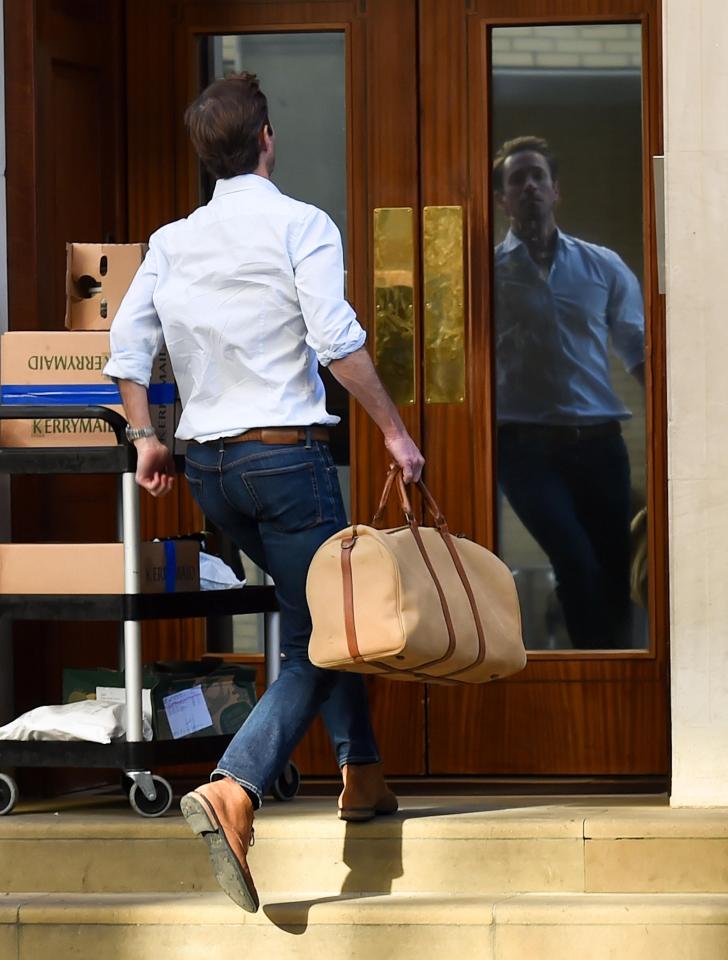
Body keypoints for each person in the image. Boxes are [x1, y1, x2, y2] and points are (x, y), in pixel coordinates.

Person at [103, 72, 424, 912]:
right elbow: (336, 337)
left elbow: (126, 349)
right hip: (283, 461)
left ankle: (363, 774)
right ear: (268, 139)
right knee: (324, 633)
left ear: (207, 156)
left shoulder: (172, 240)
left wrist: (146, 442)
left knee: (319, 611)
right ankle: (234, 788)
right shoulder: (301, 224)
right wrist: (393, 431)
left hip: (208, 471)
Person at [492, 136, 645, 650]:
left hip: (599, 444)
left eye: (538, 176)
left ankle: (616, 680)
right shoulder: (486, 275)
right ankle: (586, 680)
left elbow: (639, 352)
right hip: (525, 450)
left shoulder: (602, 266)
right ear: (502, 199)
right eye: (517, 179)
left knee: (613, 567)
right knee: (574, 560)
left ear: (556, 190)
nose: (529, 185)